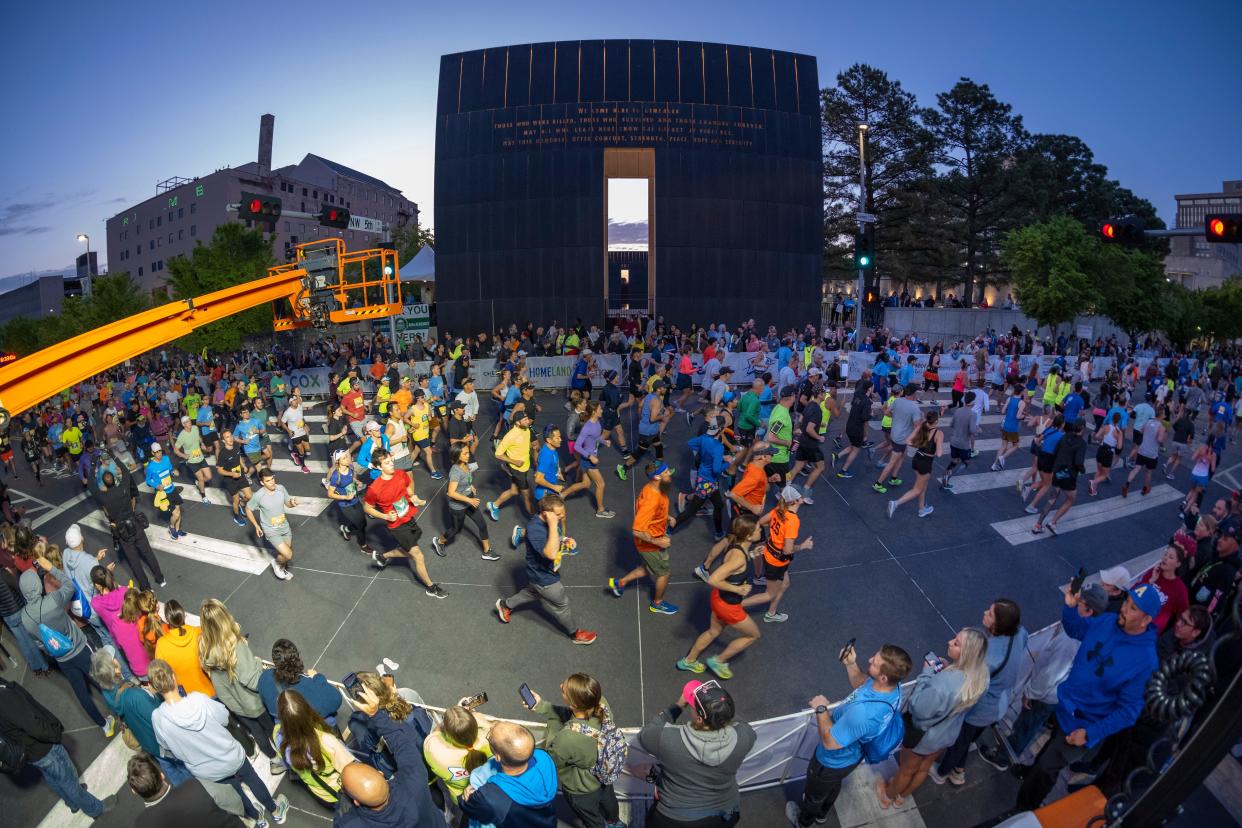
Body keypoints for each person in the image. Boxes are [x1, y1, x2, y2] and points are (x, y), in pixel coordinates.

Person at [1014, 581, 1161, 811]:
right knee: (1048, 750)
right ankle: (1028, 772)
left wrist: (1091, 734)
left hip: (1082, 725)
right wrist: (1071, 607)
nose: (1124, 608)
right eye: (1127, 602)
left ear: (1146, 620)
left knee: (1047, 769)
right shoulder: (1108, 621)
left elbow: (1128, 712)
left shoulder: (1145, 661)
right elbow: (1076, 629)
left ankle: (1023, 810)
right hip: (1064, 704)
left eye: (1133, 608)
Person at [149, 658, 290, 825]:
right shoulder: (198, 701)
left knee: (235, 793)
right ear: (173, 676)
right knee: (252, 779)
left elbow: (166, 749)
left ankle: (257, 819)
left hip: (207, 771)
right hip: (230, 755)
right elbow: (224, 717)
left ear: (154, 688)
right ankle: (275, 811)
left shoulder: (158, 718)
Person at [786, 643, 913, 827]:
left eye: (875, 662)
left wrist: (821, 709)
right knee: (833, 784)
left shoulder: (863, 713)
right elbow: (862, 684)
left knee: (815, 793)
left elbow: (829, 742)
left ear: (884, 677)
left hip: (831, 760)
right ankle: (822, 814)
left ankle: (804, 820)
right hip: (852, 757)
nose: (869, 660)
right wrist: (851, 664)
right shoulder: (894, 687)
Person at [877, 628, 988, 808]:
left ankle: (887, 796)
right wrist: (948, 669)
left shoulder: (943, 685)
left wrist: (928, 673)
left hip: (924, 737)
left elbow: (918, 706)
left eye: (956, 643)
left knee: (906, 770)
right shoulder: (982, 675)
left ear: (967, 654)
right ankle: (901, 797)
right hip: (946, 735)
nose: (949, 642)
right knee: (923, 768)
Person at [932, 599, 1029, 786]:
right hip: (999, 703)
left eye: (990, 614)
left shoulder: (988, 655)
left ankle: (942, 772)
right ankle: (958, 770)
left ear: (999, 624)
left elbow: (968, 681)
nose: (985, 612)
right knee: (968, 739)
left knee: (959, 741)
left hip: (980, 709)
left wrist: (950, 668)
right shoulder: (1020, 633)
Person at [639, 679, 756, 827]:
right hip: (723, 815)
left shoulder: (668, 738)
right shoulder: (745, 736)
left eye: (694, 706)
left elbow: (645, 735)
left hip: (674, 818)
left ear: (700, 720)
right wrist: (720, 710)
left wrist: (678, 706)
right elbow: (740, 723)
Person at [19, 555, 115, 733]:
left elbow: (37, 643)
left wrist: (51, 650)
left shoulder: (24, 617)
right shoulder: (52, 600)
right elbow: (70, 586)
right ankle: (119, 711)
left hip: (61, 658)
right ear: (37, 585)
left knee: (81, 693)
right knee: (99, 679)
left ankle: (104, 725)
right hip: (79, 648)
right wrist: (52, 569)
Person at [0, 676, 117, 818]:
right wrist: (54, 734)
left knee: (52, 776)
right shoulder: (5, 698)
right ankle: (95, 809)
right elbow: (34, 726)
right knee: (69, 780)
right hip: (42, 746)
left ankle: (72, 802)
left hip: (28, 751)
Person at [338, 678, 446, 828]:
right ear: (381, 775)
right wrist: (376, 714)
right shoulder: (415, 780)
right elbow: (402, 745)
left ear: (356, 802)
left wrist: (343, 801)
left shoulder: (353, 824)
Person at [496, 492, 597, 644]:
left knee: (532, 592)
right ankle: (575, 634)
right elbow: (550, 553)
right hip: (544, 577)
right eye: (558, 514)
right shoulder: (535, 529)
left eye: (563, 511)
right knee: (562, 605)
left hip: (538, 575)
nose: (563, 516)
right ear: (545, 514)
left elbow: (555, 537)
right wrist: (553, 524)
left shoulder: (550, 522)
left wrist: (564, 541)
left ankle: (505, 605)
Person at [199, 598, 285, 776]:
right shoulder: (235, 647)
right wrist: (258, 663)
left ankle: (274, 760)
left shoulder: (205, 649)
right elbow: (252, 680)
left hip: (236, 705)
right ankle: (285, 756)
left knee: (256, 732)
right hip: (254, 702)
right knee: (271, 729)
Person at [526, 673, 622, 828]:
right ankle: (614, 822)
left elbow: (551, 760)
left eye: (564, 690)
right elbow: (574, 717)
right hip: (605, 774)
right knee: (609, 803)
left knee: (592, 818)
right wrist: (541, 706)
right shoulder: (601, 703)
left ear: (574, 704)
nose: (560, 686)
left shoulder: (568, 738)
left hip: (582, 789)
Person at [677, 513, 761, 679]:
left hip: (718, 599)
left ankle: (688, 660)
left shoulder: (736, 544)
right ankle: (719, 661)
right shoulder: (738, 558)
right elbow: (714, 579)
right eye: (758, 528)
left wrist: (752, 555)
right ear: (749, 536)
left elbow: (734, 568)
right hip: (729, 606)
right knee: (753, 635)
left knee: (713, 631)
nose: (761, 529)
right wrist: (738, 590)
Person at [90, 648, 192, 786]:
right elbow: (158, 717)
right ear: (116, 670)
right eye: (113, 659)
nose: (116, 658)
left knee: (169, 768)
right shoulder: (134, 696)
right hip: (163, 742)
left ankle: (182, 788)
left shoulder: (107, 691)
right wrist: (152, 694)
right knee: (184, 766)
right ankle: (193, 786)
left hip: (146, 741)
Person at [364, 449, 447, 599]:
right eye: (387, 463)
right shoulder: (374, 488)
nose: (392, 464)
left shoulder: (400, 473)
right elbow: (367, 507)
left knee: (411, 545)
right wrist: (385, 516)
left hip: (408, 517)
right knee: (418, 556)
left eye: (391, 460)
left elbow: (408, 488)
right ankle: (431, 587)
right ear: (378, 467)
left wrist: (414, 498)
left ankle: (383, 556)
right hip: (396, 525)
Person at [456, 720, 557, 828]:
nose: (491, 728)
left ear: (497, 757)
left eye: (490, 736)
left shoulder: (490, 797)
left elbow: (469, 807)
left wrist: (465, 797)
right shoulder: (544, 758)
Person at [608, 462, 679, 615]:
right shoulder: (651, 500)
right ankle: (657, 603)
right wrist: (658, 541)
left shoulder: (652, 488)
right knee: (664, 573)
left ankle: (620, 583)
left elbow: (653, 513)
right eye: (667, 472)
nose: (670, 474)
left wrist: (666, 517)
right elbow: (637, 530)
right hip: (650, 543)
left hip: (652, 537)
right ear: (657, 476)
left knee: (648, 567)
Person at [742, 484, 813, 622]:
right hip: (777, 561)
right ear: (795, 501)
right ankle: (735, 605)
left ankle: (771, 613)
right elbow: (787, 550)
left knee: (785, 583)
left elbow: (762, 521)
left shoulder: (779, 509)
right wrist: (803, 546)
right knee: (769, 595)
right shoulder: (792, 521)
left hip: (771, 553)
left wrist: (776, 529)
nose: (804, 496)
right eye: (802, 495)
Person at [274, 688, 355, 804]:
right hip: (343, 790)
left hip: (321, 792)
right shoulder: (325, 741)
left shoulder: (276, 734)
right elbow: (350, 770)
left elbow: (287, 763)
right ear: (307, 709)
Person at [127, 752, 243, 828]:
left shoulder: (141, 824)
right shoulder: (195, 786)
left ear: (134, 791)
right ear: (161, 775)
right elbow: (234, 800)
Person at [431, 442, 494, 561]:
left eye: (468, 451)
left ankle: (487, 552)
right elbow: (451, 493)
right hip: (458, 507)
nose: (468, 455)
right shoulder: (455, 471)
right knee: (456, 530)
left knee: (482, 525)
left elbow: (467, 480)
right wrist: (469, 499)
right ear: (457, 456)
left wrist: (471, 486)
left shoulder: (466, 464)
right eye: (465, 453)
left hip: (469, 501)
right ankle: (439, 541)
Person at [258, 638, 343, 725]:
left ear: (274, 661)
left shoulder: (264, 679)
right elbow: (336, 700)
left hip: (288, 728)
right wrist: (318, 678)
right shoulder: (310, 684)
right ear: (297, 658)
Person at [423, 704, 493, 805]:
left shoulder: (435, 750)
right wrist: (477, 719)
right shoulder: (491, 740)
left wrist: (449, 722)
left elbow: (434, 734)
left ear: (447, 734)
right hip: (489, 790)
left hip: (462, 798)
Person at [245, 468, 299, 581]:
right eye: (268, 480)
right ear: (262, 482)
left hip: (284, 527)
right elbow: (248, 509)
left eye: (273, 478)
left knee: (283, 553)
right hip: (271, 530)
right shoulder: (259, 496)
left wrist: (293, 503)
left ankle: (278, 564)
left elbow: (288, 504)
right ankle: (277, 566)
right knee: (288, 555)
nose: (272, 482)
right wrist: (256, 526)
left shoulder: (281, 488)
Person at [887, 409, 943, 519]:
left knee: (923, 485)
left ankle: (921, 509)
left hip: (916, 459)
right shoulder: (939, 433)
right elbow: (939, 454)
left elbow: (908, 441)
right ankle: (896, 503)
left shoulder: (922, 426)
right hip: (925, 463)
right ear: (936, 421)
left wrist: (919, 444)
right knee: (917, 490)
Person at [153, 599, 216, 697]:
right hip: (210, 689)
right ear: (183, 614)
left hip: (187, 697)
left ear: (167, 619)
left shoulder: (161, 644)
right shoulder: (198, 632)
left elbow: (162, 674)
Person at [572, 402, 618, 519]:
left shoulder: (597, 422)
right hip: (588, 460)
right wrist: (590, 456)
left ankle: (563, 494)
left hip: (591, 457)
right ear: (594, 412)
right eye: (600, 409)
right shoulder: (587, 427)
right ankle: (600, 510)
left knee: (585, 484)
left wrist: (604, 441)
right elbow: (577, 446)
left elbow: (595, 437)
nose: (602, 410)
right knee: (601, 484)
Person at [489, 407, 536, 519]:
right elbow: (498, 454)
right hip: (517, 469)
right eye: (525, 420)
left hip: (524, 467)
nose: (528, 421)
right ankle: (536, 519)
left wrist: (529, 446)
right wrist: (514, 461)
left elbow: (525, 442)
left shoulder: (526, 429)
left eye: (527, 419)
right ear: (517, 422)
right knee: (527, 496)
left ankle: (494, 505)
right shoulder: (510, 436)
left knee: (514, 491)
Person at [325, 449, 373, 555]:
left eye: (347, 456)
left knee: (363, 523)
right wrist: (345, 497)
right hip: (345, 504)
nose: (348, 459)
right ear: (338, 461)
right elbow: (330, 493)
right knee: (360, 525)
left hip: (355, 499)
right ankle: (363, 546)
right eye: (344, 458)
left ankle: (346, 529)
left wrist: (357, 482)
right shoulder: (335, 476)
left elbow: (352, 479)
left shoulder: (351, 468)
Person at [215, 429, 255, 528]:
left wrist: (243, 465)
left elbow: (239, 457)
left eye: (231, 436)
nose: (230, 438)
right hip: (230, 480)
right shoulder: (222, 454)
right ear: (223, 440)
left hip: (240, 476)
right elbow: (219, 470)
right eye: (227, 437)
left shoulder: (236, 446)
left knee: (250, 496)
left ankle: (243, 503)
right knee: (235, 500)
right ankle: (236, 516)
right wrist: (232, 474)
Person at [144, 443, 185, 539]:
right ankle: (171, 527)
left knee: (178, 511)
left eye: (160, 451)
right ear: (152, 453)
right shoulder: (151, 467)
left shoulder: (166, 459)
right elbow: (148, 480)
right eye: (156, 452)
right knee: (176, 513)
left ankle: (178, 530)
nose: (159, 454)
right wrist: (156, 485)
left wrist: (174, 472)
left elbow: (170, 469)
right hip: (164, 493)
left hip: (172, 489)